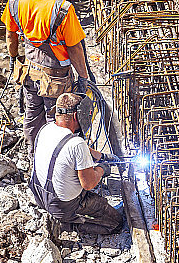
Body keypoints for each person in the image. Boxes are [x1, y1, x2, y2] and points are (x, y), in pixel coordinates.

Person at [1, 0, 90, 156]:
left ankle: (33, 155)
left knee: (32, 113)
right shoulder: (63, 8)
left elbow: (10, 36)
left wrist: (14, 59)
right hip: (57, 79)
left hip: (29, 72)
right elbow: (75, 49)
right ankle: (54, 160)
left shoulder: (15, 1)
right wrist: (84, 77)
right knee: (55, 118)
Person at [29, 92, 123, 235]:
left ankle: (61, 217)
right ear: (75, 116)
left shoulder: (46, 129)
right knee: (115, 223)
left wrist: (102, 156)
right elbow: (89, 184)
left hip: (40, 196)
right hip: (63, 206)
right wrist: (102, 169)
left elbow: (70, 149)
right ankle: (66, 226)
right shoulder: (77, 144)